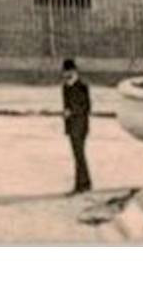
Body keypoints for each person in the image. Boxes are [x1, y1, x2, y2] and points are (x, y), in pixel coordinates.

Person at [62, 58, 93, 194]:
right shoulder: (65, 87)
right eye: (65, 71)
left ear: (74, 71)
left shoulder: (82, 86)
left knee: (79, 156)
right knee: (78, 156)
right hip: (71, 126)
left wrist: (71, 112)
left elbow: (86, 107)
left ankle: (82, 184)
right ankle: (83, 183)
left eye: (69, 71)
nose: (66, 74)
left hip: (80, 126)